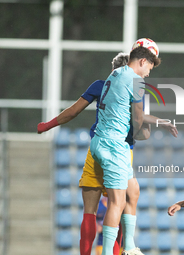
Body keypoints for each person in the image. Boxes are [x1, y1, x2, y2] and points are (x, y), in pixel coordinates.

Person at [38, 51, 177, 255]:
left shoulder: (102, 85)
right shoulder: (134, 86)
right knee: (121, 202)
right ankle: (120, 250)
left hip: (96, 150)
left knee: (90, 212)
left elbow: (73, 111)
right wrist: (155, 124)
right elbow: (141, 127)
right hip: (121, 150)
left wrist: (47, 125)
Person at [90, 40, 165, 255]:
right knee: (117, 202)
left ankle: (129, 246)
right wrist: (145, 132)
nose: (148, 74)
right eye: (149, 68)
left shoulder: (116, 74)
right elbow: (138, 121)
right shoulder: (137, 82)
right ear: (143, 61)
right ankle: (107, 253)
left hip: (103, 141)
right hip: (114, 145)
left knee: (133, 190)